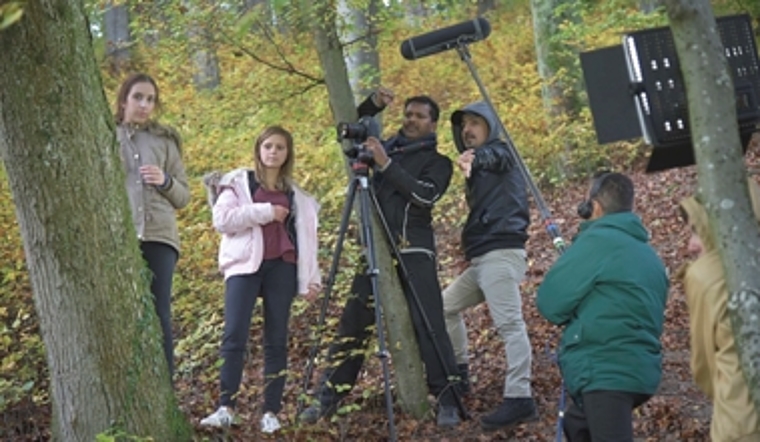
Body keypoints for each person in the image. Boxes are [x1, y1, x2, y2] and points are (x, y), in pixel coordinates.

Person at [298, 88, 464, 428]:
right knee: (353, 322)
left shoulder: (438, 162)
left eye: (420, 116)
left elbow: (425, 195)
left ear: (433, 125)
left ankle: (448, 400)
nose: (411, 120)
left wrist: (386, 165)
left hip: (413, 249)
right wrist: (372, 106)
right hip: (374, 249)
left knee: (428, 324)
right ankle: (326, 399)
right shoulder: (382, 148)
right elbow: (348, 130)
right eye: (408, 113)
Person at [199, 126, 322, 434]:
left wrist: (312, 278)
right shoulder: (237, 184)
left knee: (277, 339)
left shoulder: (298, 197)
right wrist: (267, 211)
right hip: (244, 265)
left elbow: (308, 240)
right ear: (258, 149)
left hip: (282, 265)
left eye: (280, 147)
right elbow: (222, 220)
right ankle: (226, 406)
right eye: (268, 146)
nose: (273, 152)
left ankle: (271, 411)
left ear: (287, 154)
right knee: (234, 334)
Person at [536, 171, 669, 442]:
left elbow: (550, 304)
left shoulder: (597, 242)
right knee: (577, 426)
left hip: (604, 370)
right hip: (638, 370)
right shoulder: (648, 254)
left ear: (594, 206)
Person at [440, 101, 536, 431]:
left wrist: (477, 158)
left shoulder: (501, 154)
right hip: (483, 257)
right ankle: (461, 373)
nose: (467, 130)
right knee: (445, 306)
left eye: (475, 123)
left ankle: (520, 396)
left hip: (501, 253)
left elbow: (495, 156)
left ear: (490, 126)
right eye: (464, 125)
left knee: (510, 324)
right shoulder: (481, 170)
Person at [115, 73, 190, 379]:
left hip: (159, 236)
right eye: (138, 97)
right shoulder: (105, 135)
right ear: (123, 100)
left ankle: (164, 391)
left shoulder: (165, 141)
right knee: (123, 315)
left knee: (159, 313)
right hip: (119, 237)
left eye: (150, 99)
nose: (145, 105)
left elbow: (184, 196)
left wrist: (165, 180)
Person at [678, 180, 760, 442]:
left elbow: (704, 365)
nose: (691, 245)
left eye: (696, 231)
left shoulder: (707, 275)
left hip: (742, 424)